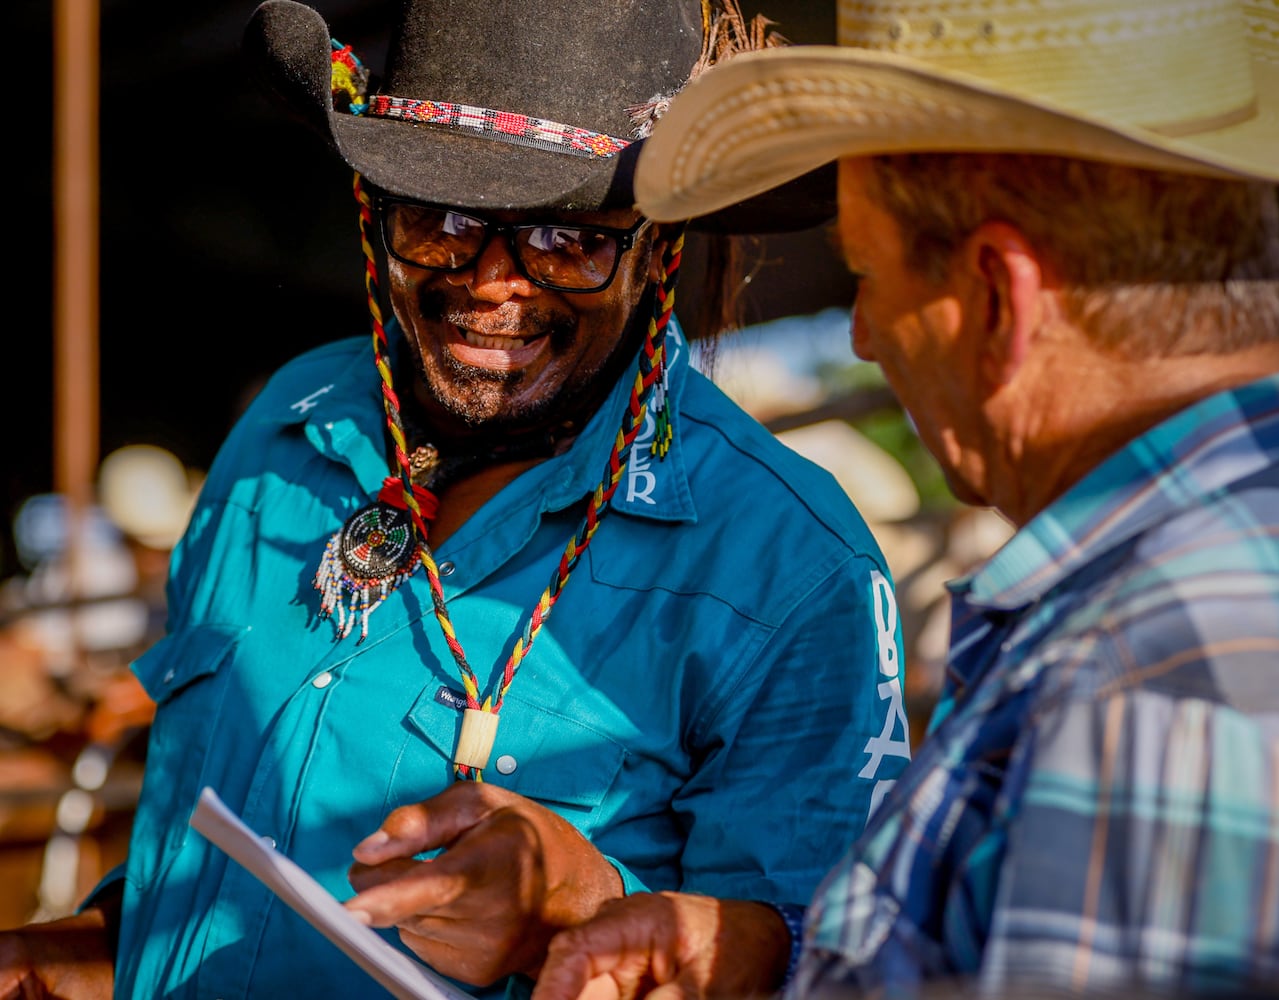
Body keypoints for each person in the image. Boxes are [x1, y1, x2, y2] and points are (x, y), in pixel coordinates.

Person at [529, 0, 1279, 997]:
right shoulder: (1273, 565)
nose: (861, 335)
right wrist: (758, 959)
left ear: (999, 296)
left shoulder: (1180, 668)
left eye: (867, 275)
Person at [0, 1, 913, 997]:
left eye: (566, 239)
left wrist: (581, 906)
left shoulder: (793, 568)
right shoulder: (284, 429)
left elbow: (831, 965)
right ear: (371, 212)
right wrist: (103, 941)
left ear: (657, 248)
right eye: (441, 219)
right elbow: (216, 819)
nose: (492, 284)